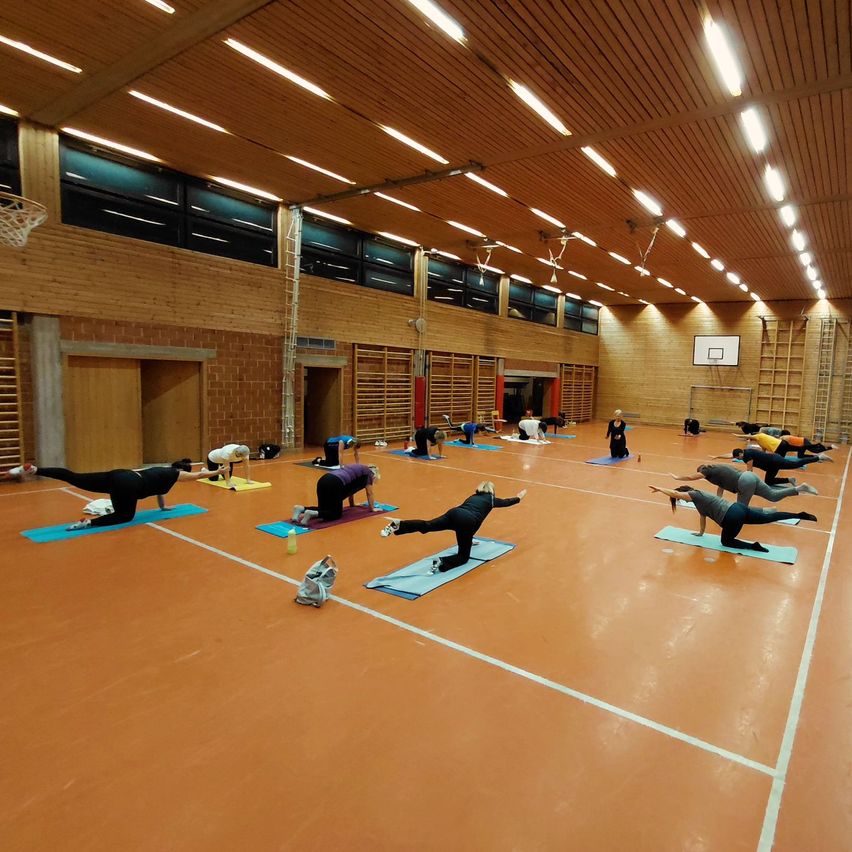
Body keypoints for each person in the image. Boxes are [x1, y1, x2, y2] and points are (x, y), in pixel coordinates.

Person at [3, 461, 218, 530]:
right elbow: (199, 474)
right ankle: (87, 523)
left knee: (74, 477)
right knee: (124, 517)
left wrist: (163, 508)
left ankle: (35, 470)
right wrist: (218, 472)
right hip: (129, 485)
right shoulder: (176, 474)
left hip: (121, 475)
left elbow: (160, 492)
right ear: (182, 469)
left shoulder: (161, 471)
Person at [380, 481, 526, 572]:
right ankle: (442, 562)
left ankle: (398, 525)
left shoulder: (472, 497)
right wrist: (519, 497)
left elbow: (467, 514)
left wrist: (469, 539)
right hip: (467, 522)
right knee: (463, 557)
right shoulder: (491, 499)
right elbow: (507, 502)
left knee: (427, 525)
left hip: (454, 513)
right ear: (492, 491)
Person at [648, 485, 817, 552]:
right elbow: (702, 517)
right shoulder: (700, 500)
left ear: (686, 493)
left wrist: (660, 489)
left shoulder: (694, 494)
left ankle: (754, 546)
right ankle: (798, 515)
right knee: (768, 518)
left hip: (731, 517)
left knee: (726, 542)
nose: (681, 500)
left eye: (680, 499)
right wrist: (700, 532)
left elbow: (676, 493)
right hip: (738, 508)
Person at [669, 464, 818, 504]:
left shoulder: (707, 469)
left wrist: (677, 478)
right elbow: (720, 486)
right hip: (749, 477)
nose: (701, 474)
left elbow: (690, 477)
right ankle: (800, 488)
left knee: (740, 509)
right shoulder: (716, 473)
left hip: (743, 483)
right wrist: (718, 500)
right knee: (773, 496)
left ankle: (764, 514)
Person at [292, 463, 381, 525]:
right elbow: (370, 493)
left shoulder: (358, 468)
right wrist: (372, 509)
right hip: (335, 483)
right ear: (373, 474)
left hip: (324, 479)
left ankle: (300, 509)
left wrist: (352, 504)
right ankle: (311, 514)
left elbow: (352, 488)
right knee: (336, 514)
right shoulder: (368, 474)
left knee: (324, 509)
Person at [712, 447, 832, 486]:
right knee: (769, 481)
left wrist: (746, 481)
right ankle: (790, 480)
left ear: (740, 454)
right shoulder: (743, 454)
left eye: (738, 457)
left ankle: (818, 457)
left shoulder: (747, 455)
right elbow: (730, 455)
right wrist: (717, 457)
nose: (737, 459)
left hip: (775, 461)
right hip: (770, 466)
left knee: (795, 463)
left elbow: (749, 470)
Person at [734, 431, 836, 458]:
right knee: (800, 452)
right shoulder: (760, 441)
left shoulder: (759, 436)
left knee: (811, 448)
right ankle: (826, 449)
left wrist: (738, 435)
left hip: (782, 447)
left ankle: (825, 447)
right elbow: (763, 451)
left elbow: (749, 437)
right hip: (783, 445)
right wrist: (762, 456)